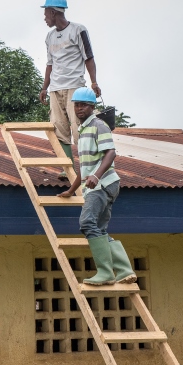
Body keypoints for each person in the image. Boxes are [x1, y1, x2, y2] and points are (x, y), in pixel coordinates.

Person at [57, 87, 135, 286]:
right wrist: (72, 190)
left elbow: (110, 153)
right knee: (98, 229)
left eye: (83, 105)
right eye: (77, 105)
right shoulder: (83, 131)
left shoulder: (99, 125)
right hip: (98, 184)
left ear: (92, 106)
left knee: (87, 223)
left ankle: (105, 272)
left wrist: (96, 176)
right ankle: (125, 270)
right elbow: (85, 168)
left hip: (103, 184)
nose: (79, 108)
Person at [38, 0, 101, 179]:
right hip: (55, 89)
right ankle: (67, 169)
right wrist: (44, 88)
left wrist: (94, 82)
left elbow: (88, 57)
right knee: (58, 128)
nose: (44, 18)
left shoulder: (78, 30)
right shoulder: (49, 37)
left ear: (53, 12)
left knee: (78, 128)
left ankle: (87, 169)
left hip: (74, 86)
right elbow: (49, 64)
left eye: (45, 14)